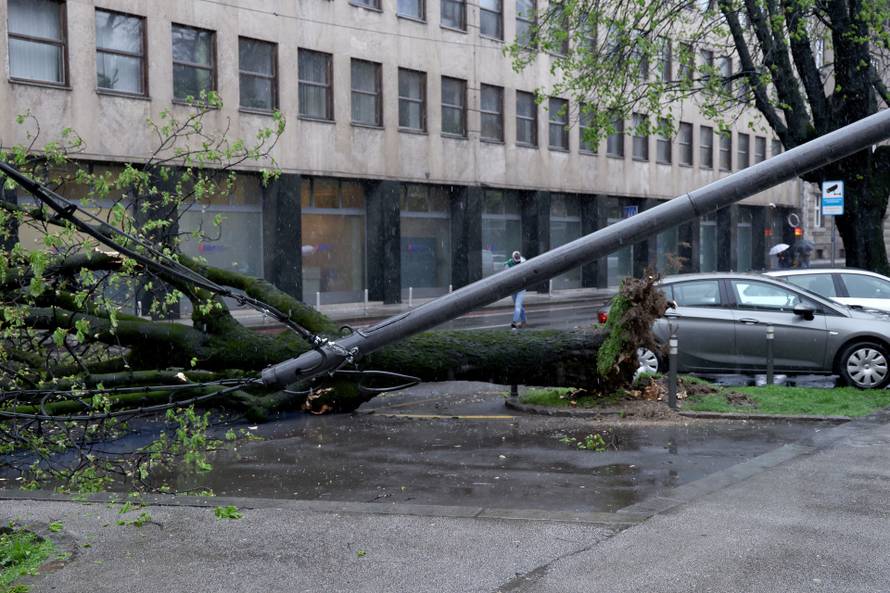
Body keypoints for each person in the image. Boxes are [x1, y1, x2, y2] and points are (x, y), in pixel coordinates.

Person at [505, 251, 527, 329]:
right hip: (513, 288)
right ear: (513, 258)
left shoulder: (524, 262)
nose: (517, 261)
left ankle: (514, 323)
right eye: (515, 260)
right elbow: (505, 275)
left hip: (521, 288)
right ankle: (524, 322)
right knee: (519, 306)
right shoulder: (508, 264)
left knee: (517, 306)